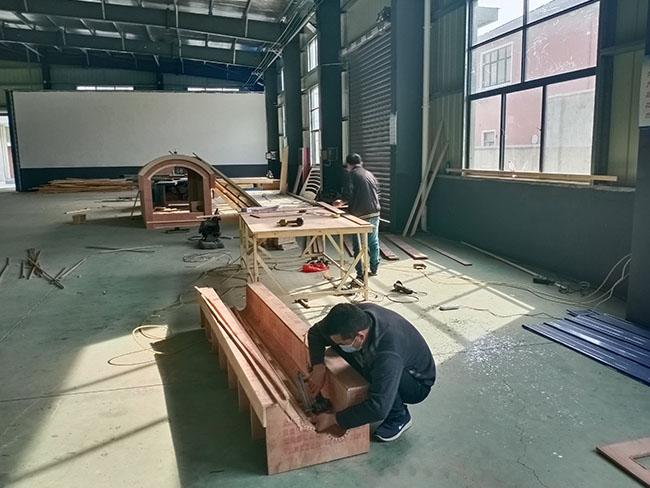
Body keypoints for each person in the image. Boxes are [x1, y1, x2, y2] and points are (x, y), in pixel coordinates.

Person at [306, 302, 436, 442]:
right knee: (339, 350)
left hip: (416, 384)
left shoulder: (386, 353)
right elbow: (315, 333)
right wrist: (318, 367)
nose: (339, 345)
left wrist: (334, 419)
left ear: (360, 336)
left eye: (342, 342)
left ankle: (398, 415)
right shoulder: (354, 315)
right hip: (392, 359)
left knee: (373, 368)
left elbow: (378, 409)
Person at [335, 153, 381, 281]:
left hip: (360, 214)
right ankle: (374, 268)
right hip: (375, 211)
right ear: (361, 163)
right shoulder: (369, 174)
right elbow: (378, 192)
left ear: (348, 165)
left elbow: (348, 193)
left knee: (358, 245)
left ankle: (360, 273)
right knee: (373, 242)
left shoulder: (350, 175)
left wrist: (341, 201)